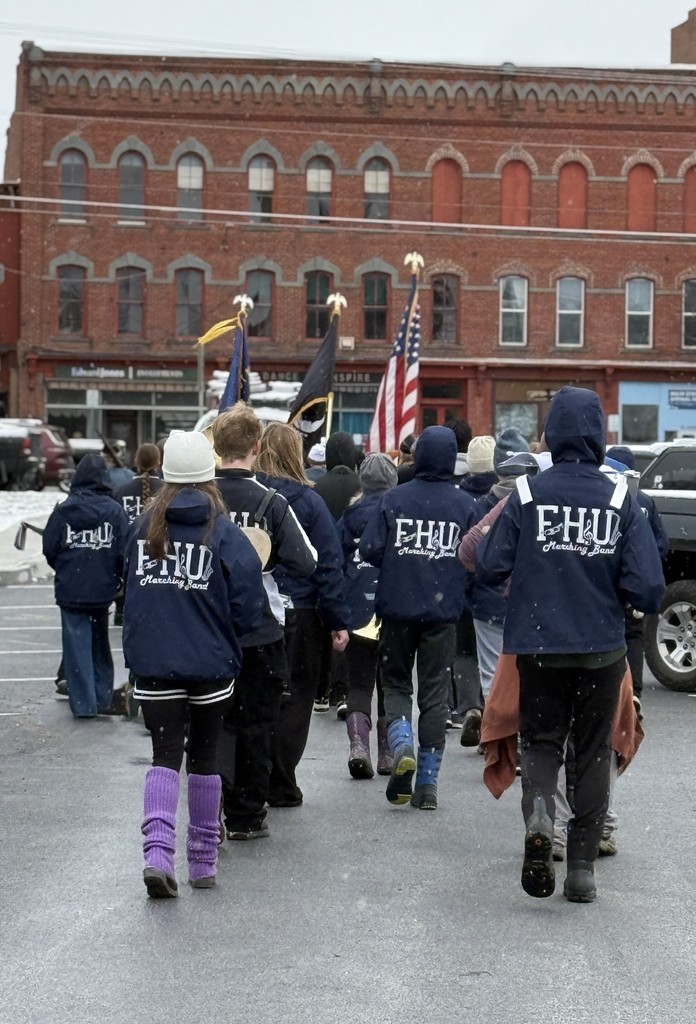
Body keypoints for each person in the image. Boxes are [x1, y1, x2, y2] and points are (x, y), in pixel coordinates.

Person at [476, 386, 665, 903]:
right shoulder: (622, 498)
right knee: (591, 751)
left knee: (540, 742)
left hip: (538, 645)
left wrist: (533, 576)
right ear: (598, 436)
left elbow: (488, 564)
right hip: (601, 648)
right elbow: (648, 589)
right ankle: (581, 869)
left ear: (553, 434)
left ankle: (539, 811)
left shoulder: (528, 494)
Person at [122, 430, 266, 898]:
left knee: (164, 754)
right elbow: (249, 604)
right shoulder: (222, 532)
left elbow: (124, 586)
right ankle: (202, 862)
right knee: (203, 756)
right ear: (210, 479)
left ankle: (156, 855)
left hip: (154, 662)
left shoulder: (144, 527)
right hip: (210, 664)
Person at [211, 406, 317, 841]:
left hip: (210, 624)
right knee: (257, 722)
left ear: (216, 448)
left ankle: (211, 804)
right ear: (257, 448)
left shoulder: (204, 500)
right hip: (259, 624)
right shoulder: (273, 503)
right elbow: (307, 561)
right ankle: (247, 814)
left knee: (215, 721)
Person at [360, 425, 477, 809]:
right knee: (434, 693)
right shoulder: (464, 505)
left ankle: (401, 742)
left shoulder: (394, 499)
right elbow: (476, 559)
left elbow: (371, 549)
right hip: (442, 613)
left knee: (394, 684)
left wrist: (402, 558)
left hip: (397, 609)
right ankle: (427, 782)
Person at [254, 422, 349, 807]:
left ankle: (253, 779)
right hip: (303, 611)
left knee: (258, 696)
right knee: (297, 698)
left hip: (256, 609)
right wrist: (338, 618)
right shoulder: (309, 503)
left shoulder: (250, 496)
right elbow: (328, 563)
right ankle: (281, 780)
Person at [42, 453, 129, 719]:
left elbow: (49, 548)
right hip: (101, 588)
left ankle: (83, 703)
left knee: (76, 646)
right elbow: (123, 551)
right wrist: (113, 576)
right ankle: (102, 696)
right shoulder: (114, 511)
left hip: (71, 588)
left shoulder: (63, 509)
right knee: (99, 643)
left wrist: (67, 568)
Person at [337, 452, 398, 779]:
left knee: (359, 682)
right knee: (390, 683)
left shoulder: (350, 515)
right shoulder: (398, 511)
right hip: (392, 604)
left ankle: (358, 745)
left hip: (357, 603)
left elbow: (334, 557)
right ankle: (388, 753)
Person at [113, 443, 163, 525]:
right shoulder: (167, 492)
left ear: (136, 461)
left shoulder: (120, 492)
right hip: (157, 537)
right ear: (158, 463)